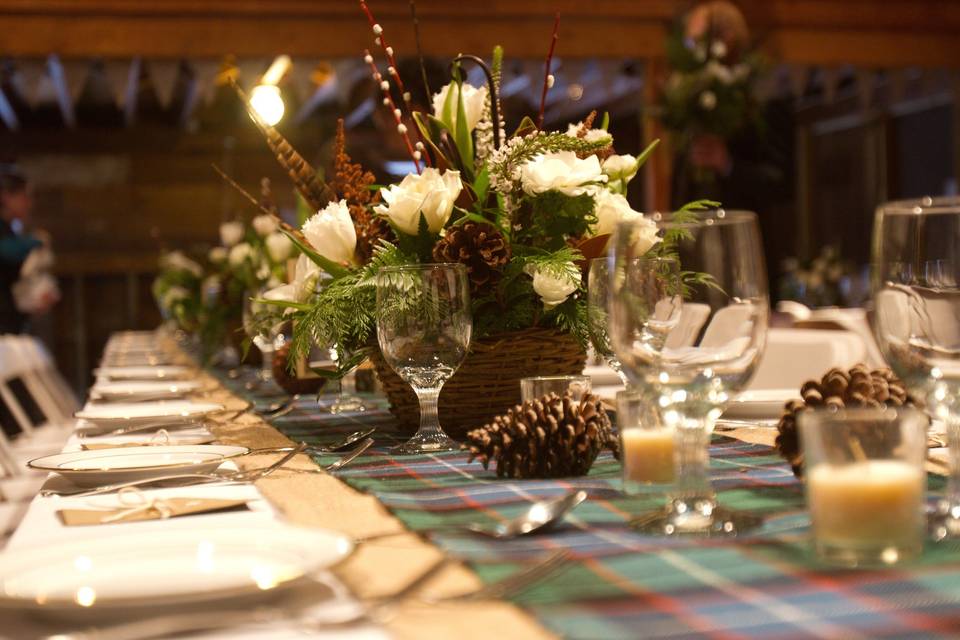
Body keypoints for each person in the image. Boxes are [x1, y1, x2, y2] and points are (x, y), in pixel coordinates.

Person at [0, 168, 56, 334]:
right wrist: (36, 241)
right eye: (24, 196)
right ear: (6, 197)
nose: (29, 203)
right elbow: (6, 251)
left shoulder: (9, 229)